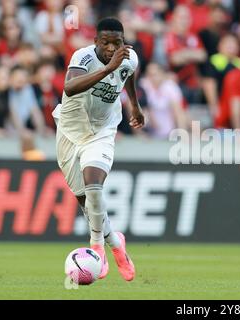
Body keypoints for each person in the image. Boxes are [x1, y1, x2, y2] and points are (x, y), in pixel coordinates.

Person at [52, 18, 145, 282]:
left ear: (123, 42)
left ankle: (98, 249)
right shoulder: (82, 57)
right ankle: (116, 243)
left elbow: (129, 75)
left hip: (102, 130)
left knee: (94, 186)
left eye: (117, 43)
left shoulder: (129, 59)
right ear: (96, 42)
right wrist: (108, 69)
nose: (111, 48)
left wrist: (135, 106)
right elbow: (70, 87)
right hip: (70, 131)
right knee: (86, 202)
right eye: (106, 42)